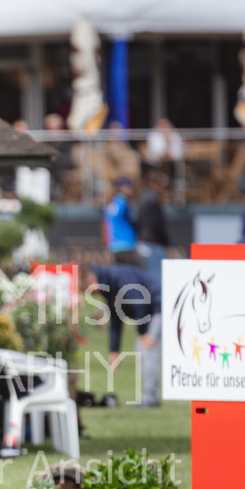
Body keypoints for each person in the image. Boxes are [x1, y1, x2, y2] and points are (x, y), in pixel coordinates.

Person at [85, 263, 162, 407]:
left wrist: (144, 332)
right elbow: (116, 319)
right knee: (142, 348)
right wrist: (114, 351)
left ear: (93, 281)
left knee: (146, 348)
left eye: (89, 290)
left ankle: (151, 399)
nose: (91, 294)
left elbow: (140, 303)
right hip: (153, 311)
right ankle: (150, 397)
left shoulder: (119, 277)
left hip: (160, 307)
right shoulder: (109, 287)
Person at [136, 170, 172, 282]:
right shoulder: (153, 199)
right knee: (156, 277)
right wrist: (166, 242)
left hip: (143, 242)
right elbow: (157, 223)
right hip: (153, 243)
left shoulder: (143, 197)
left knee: (146, 276)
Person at [102, 177, 140, 266]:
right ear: (121, 188)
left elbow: (105, 223)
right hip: (127, 244)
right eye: (129, 187)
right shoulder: (123, 202)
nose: (131, 189)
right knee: (134, 272)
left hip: (114, 246)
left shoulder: (112, 202)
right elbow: (134, 221)